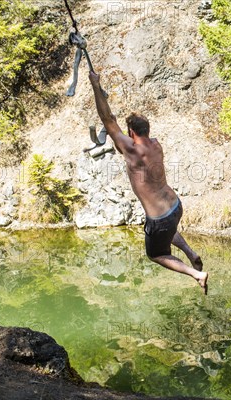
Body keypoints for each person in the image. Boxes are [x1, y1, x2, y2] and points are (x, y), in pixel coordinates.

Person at [89, 71, 208, 294]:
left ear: (131, 132)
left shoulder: (132, 149)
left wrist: (95, 85)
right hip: (175, 205)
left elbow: (108, 120)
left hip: (159, 218)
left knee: (156, 254)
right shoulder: (155, 144)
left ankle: (196, 273)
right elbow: (123, 143)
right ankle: (191, 254)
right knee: (168, 229)